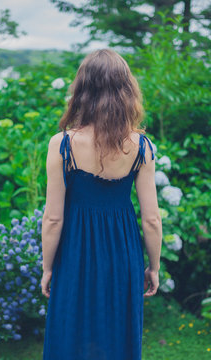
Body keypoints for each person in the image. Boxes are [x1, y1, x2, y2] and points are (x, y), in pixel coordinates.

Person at [40, 48, 163, 360]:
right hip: (122, 252)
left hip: (75, 252)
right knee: (116, 337)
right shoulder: (142, 147)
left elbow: (53, 219)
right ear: (126, 91)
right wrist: (154, 266)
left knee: (71, 334)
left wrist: (47, 267)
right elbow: (151, 219)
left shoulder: (62, 144)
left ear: (83, 90)